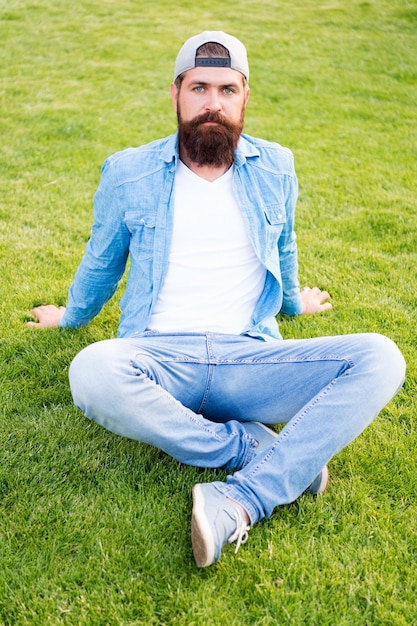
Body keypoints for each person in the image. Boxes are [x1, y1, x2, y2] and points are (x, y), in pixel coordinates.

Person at [28, 31, 406, 568]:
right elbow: (101, 261)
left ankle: (239, 499)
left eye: (227, 90)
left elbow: (284, 242)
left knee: (382, 356)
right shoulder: (128, 172)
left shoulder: (277, 166)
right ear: (176, 93)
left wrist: (294, 301)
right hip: (161, 360)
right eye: (199, 88)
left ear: (245, 96)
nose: (213, 103)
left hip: (250, 356)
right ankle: (253, 451)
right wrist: (71, 318)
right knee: (91, 370)